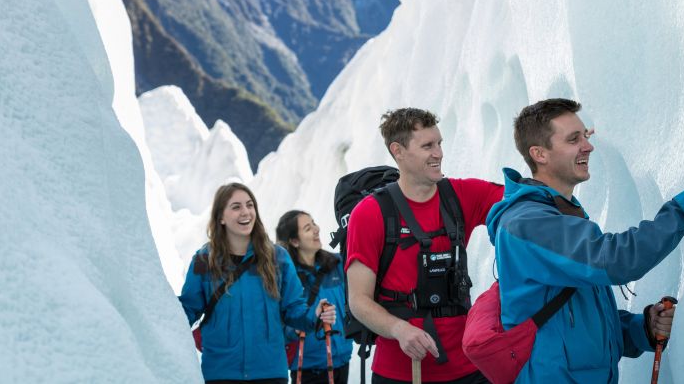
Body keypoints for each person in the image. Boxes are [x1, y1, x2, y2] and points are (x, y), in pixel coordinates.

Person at [487, 98, 684, 383]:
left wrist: (640, 328)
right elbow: (616, 260)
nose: (588, 146)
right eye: (573, 139)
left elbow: (573, 319)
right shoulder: (529, 225)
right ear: (539, 154)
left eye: (586, 136)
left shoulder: (561, 215)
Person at [345, 108, 504, 384]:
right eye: (427, 146)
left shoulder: (462, 196)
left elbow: (524, 204)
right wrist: (399, 329)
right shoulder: (370, 213)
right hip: (400, 372)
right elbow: (358, 300)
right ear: (398, 151)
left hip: (469, 367)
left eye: (439, 143)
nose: (439, 153)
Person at [179, 183, 336, 384]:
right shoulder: (204, 260)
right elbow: (186, 311)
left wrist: (314, 315)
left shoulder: (278, 258)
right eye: (236, 207)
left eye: (250, 205)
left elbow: (293, 310)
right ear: (220, 217)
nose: (246, 212)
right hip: (221, 374)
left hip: (270, 373)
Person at [276, 210, 353, 384]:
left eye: (314, 223)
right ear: (294, 241)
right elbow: (275, 326)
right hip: (308, 368)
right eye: (307, 228)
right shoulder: (285, 277)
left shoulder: (337, 264)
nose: (316, 229)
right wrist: (294, 330)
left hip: (341, 361)